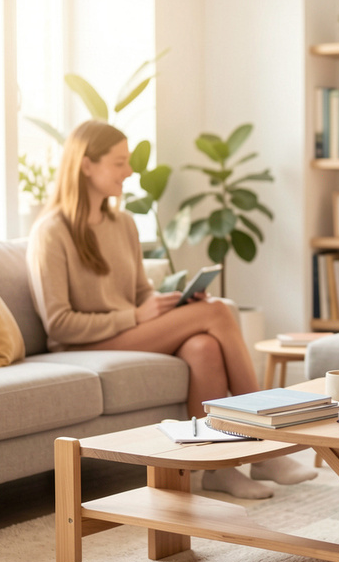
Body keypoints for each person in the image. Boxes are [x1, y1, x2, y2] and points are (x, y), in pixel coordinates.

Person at [27, 120, 316, 499]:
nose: (129, 171)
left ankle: (219, 467)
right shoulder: (51, 231)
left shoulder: (124, 224)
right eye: (119, 163)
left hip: (125, 334)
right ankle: (264, 442)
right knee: (216, 313)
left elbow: (139, 294)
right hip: (79, 347)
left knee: (203, 347)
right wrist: (135, 316)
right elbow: (59, 325)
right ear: (85, 165)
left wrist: (168, 305)